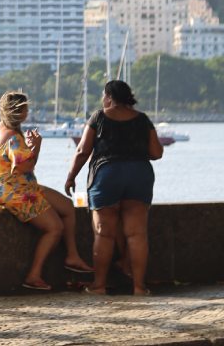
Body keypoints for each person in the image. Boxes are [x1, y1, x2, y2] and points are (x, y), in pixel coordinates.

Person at [0, 91, 94, 291]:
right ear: (23, 112)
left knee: (67, 206)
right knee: (54, 228)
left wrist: (29, 147)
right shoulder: (12, 137)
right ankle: (33, 275)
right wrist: (36, 147)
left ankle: (72, 256)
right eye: (26, 109)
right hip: (13, 190)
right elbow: (24, 167)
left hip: (20, 186)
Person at [65, 80, 163, 296]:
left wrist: (71, 177)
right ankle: (139, 287)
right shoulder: (143, 119)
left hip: (106, 175)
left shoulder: (99, 117)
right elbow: (156, 153)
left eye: (103, 96)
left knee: (104, 234)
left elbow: (82, 151)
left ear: (109, 96)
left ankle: (98, 286)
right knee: (137, 235)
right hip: (139, 176)